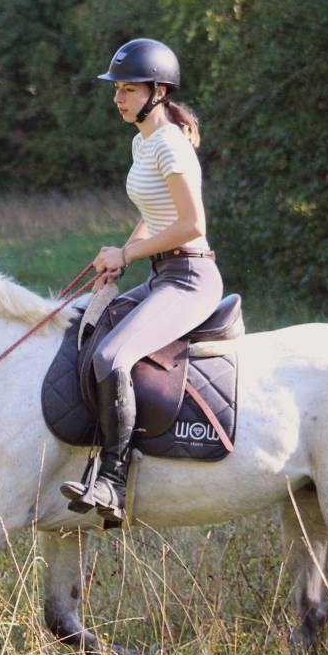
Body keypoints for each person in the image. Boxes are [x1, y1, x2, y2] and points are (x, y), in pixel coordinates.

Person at [60, 38, 224, 523]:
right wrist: (124, 258)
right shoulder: (143, 140)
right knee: (90, 328)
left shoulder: (171, 145)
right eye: (117, 89)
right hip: (161, 273)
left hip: (190, 278)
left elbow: (192, 225)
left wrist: (126, 251)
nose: (118, 98)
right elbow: (155, 214)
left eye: (127, 89)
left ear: (158, 91)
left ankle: (112, 483)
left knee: (113, 357)